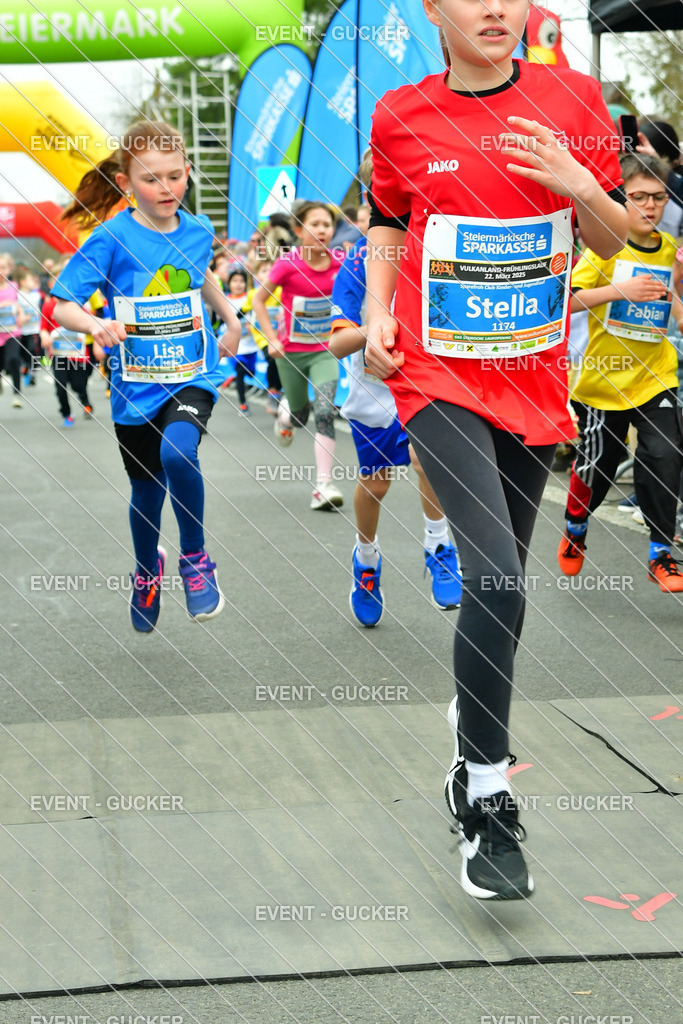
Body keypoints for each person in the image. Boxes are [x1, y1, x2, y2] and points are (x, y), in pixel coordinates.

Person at [365, 0, 628, 901]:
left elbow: (615, 237)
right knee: (498, 578)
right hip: (434, 367)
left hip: (529, 372)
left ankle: (468, 741)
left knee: (505, 584)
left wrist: (577, 182)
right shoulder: (401, 113)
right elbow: (387, 219)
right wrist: (372, 313)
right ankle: (486, 797)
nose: (493, 9)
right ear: (432, 9)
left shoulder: (574, 99)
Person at [51, 120, 240, 630]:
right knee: (146, 492)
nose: (166, 189)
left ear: (189, 172)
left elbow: (200, 277)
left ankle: (196, 561)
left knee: (179, 452)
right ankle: (145, 569)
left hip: (191, 372)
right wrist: (95, 323)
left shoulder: (198, 229)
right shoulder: (111, 236)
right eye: (152, 179)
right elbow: (61, 305)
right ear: (126, 182)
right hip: (134, 387)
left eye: (176, 176)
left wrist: (233, 319)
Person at [330, 152, 461, 627]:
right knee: (378, 482)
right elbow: (335, 342)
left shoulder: (443, 248)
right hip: (375, 396)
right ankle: (366, 560)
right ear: (374, 200)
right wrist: (377, 328)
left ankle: (439, 545)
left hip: (428, 386)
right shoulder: (360, 260)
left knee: (430, 462)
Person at [558, 153, 683, 590]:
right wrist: (620, 290)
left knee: (666, 455)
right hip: (603, 385)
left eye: (659, 197)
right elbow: (564, 302)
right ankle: (575, 527)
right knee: (597, 470)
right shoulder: (605, 248)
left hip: (655, 377)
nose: (650, 207)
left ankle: (661, 553)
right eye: (639, 197)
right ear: (619, 198)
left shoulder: (672, 254)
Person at [252, 201, 345, 511]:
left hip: (324, 350)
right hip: (290, 352)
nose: (322, 230)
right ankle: (285, 414)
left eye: (327, 224)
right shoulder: (288, 264)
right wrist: (270, 339)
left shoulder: (341, 262)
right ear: (299, 231)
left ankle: (323, 485)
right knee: (300, 415)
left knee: (324, 411)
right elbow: (260, 301)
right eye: (314, 224)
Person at [240, 260, 283, 416]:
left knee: (283, 361)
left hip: (281, 334)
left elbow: (290, 304)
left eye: (270, 270)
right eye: (264, 270)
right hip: (262, 336)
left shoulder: (280, 291)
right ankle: (273, 393)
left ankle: (279, 391)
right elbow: (242, 311)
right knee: (272, 358)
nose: (268, 273)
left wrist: (284, 312)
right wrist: (231, 322)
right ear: (256, 275)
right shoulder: (253, 294)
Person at [0, 252, 23, 407]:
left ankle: (16, 394)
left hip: (12, 331)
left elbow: (19, 304)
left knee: (14, 359)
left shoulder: (14, 286)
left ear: (8, 269)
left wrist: (20, 314)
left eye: (3, 268)